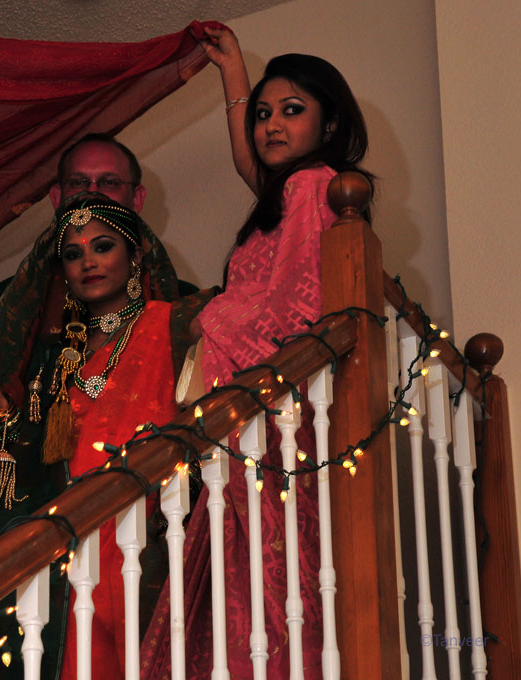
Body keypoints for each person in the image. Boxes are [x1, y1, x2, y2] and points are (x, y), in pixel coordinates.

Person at [139, 30, 374, 679]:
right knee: (247, 572)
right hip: (251, 417)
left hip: (268, 415)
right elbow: (255, 166)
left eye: (292, 110)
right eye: (264, 113)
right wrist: (233, 75)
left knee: (265, 579)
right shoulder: (293, 190)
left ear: (329, 122)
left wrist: (213, 317)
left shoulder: (314, 186)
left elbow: (295, 315)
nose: (271, 124)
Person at [0, 190, 214, 679]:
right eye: (73, 254)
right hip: (74, 541)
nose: (87, 261)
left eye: (102, 246)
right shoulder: (59, 360)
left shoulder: (172, 322)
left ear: (136, 255)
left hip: (147, 528)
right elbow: (39, 454)